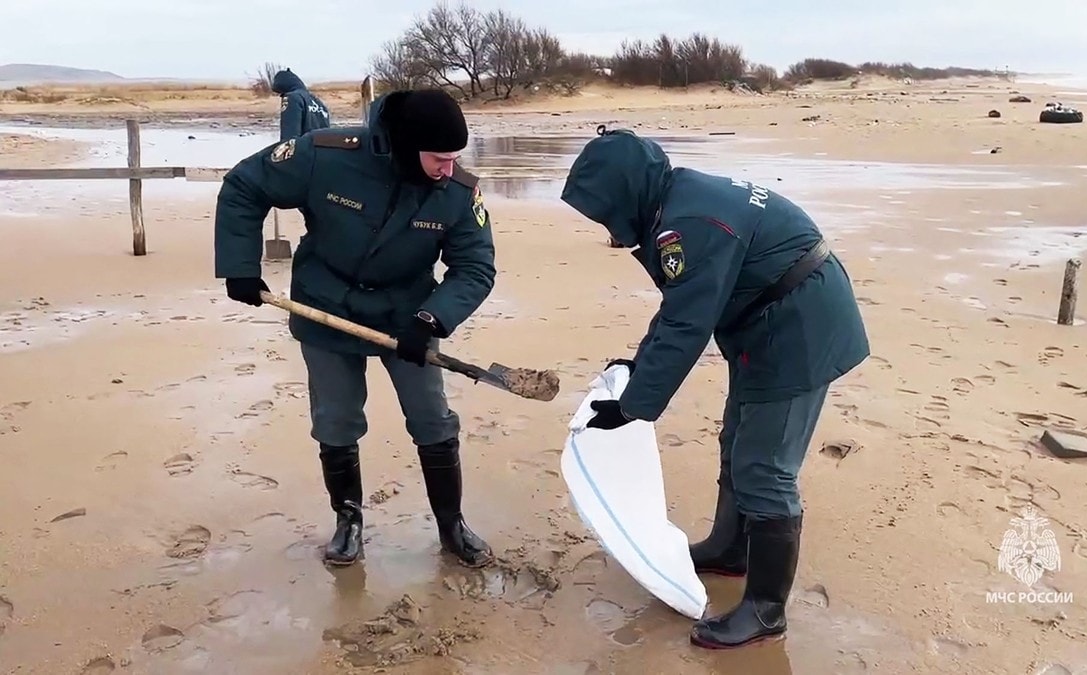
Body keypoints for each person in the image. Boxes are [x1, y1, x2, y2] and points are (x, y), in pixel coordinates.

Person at [560, 125, 869, 649]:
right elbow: (678, 306)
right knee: (737, 441)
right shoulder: (675, 200)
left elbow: (687, 325)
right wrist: (636, 369)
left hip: (800, 329)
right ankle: (731, 550)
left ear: (626, 192)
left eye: (604, 210)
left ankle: (767, 609)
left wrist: (632, 408)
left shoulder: (688, 225)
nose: (606, 225)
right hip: (767, 323)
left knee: (765, 467)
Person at [213, 88, 498, 570]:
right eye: (438, 158)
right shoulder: (325, 155)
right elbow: (245, 185)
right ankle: (348, 520)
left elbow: (475, 267)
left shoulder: (457, 191)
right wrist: (240, 265)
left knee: (432, 418)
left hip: (407, 313)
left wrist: (432, 318)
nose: (447, 168)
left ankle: (451, 524)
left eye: (454, 159)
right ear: (407, 145)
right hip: (326, 304)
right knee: (336, 419)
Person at [272, 67, 331, 141]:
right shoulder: (319, 102)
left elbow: (289, 136)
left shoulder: (292, 97)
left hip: (304, 150)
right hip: (322, 150)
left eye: (281, 94)